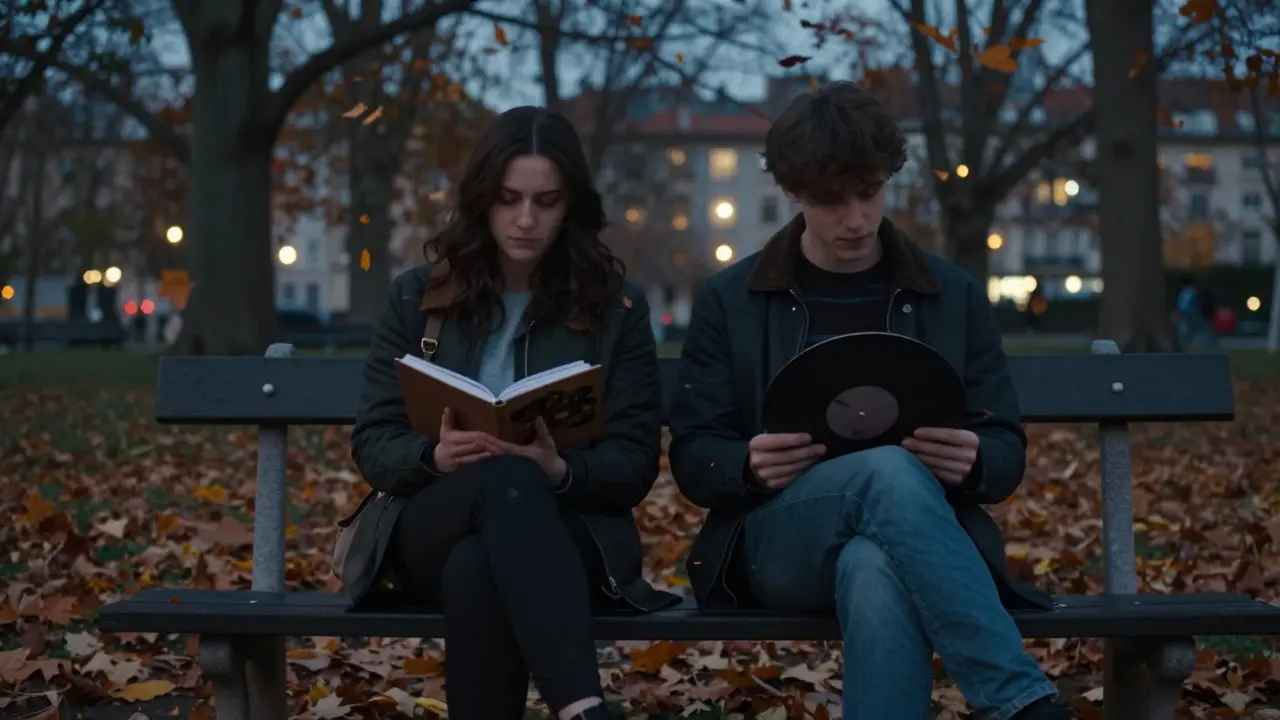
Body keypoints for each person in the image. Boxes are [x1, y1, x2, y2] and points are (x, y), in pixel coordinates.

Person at [666, 82, 1071, 720]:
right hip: (779, 542)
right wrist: (744, 465)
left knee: (874, 563)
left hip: (923, 541)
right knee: (884, 471)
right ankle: (1018, 702)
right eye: (832, 199)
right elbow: (694, 454)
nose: (856, 218)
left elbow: (1003, 449)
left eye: (870, 192)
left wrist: (974, 461)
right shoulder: (731, 300)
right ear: (793, 191)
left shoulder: (951, 294)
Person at [344, 106, 679, 720]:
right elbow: (375, 441)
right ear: (482, 199)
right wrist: (434, 455)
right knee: (501, 481)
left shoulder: (615, 309)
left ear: (571, 206)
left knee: (480, 560)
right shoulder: (417, 298)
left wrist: (559, 471)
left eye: (546, 202)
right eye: (509, 199)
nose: (527, 219)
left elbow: (633, 463)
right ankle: (583, 709)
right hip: (434, 521)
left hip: (565, 531)